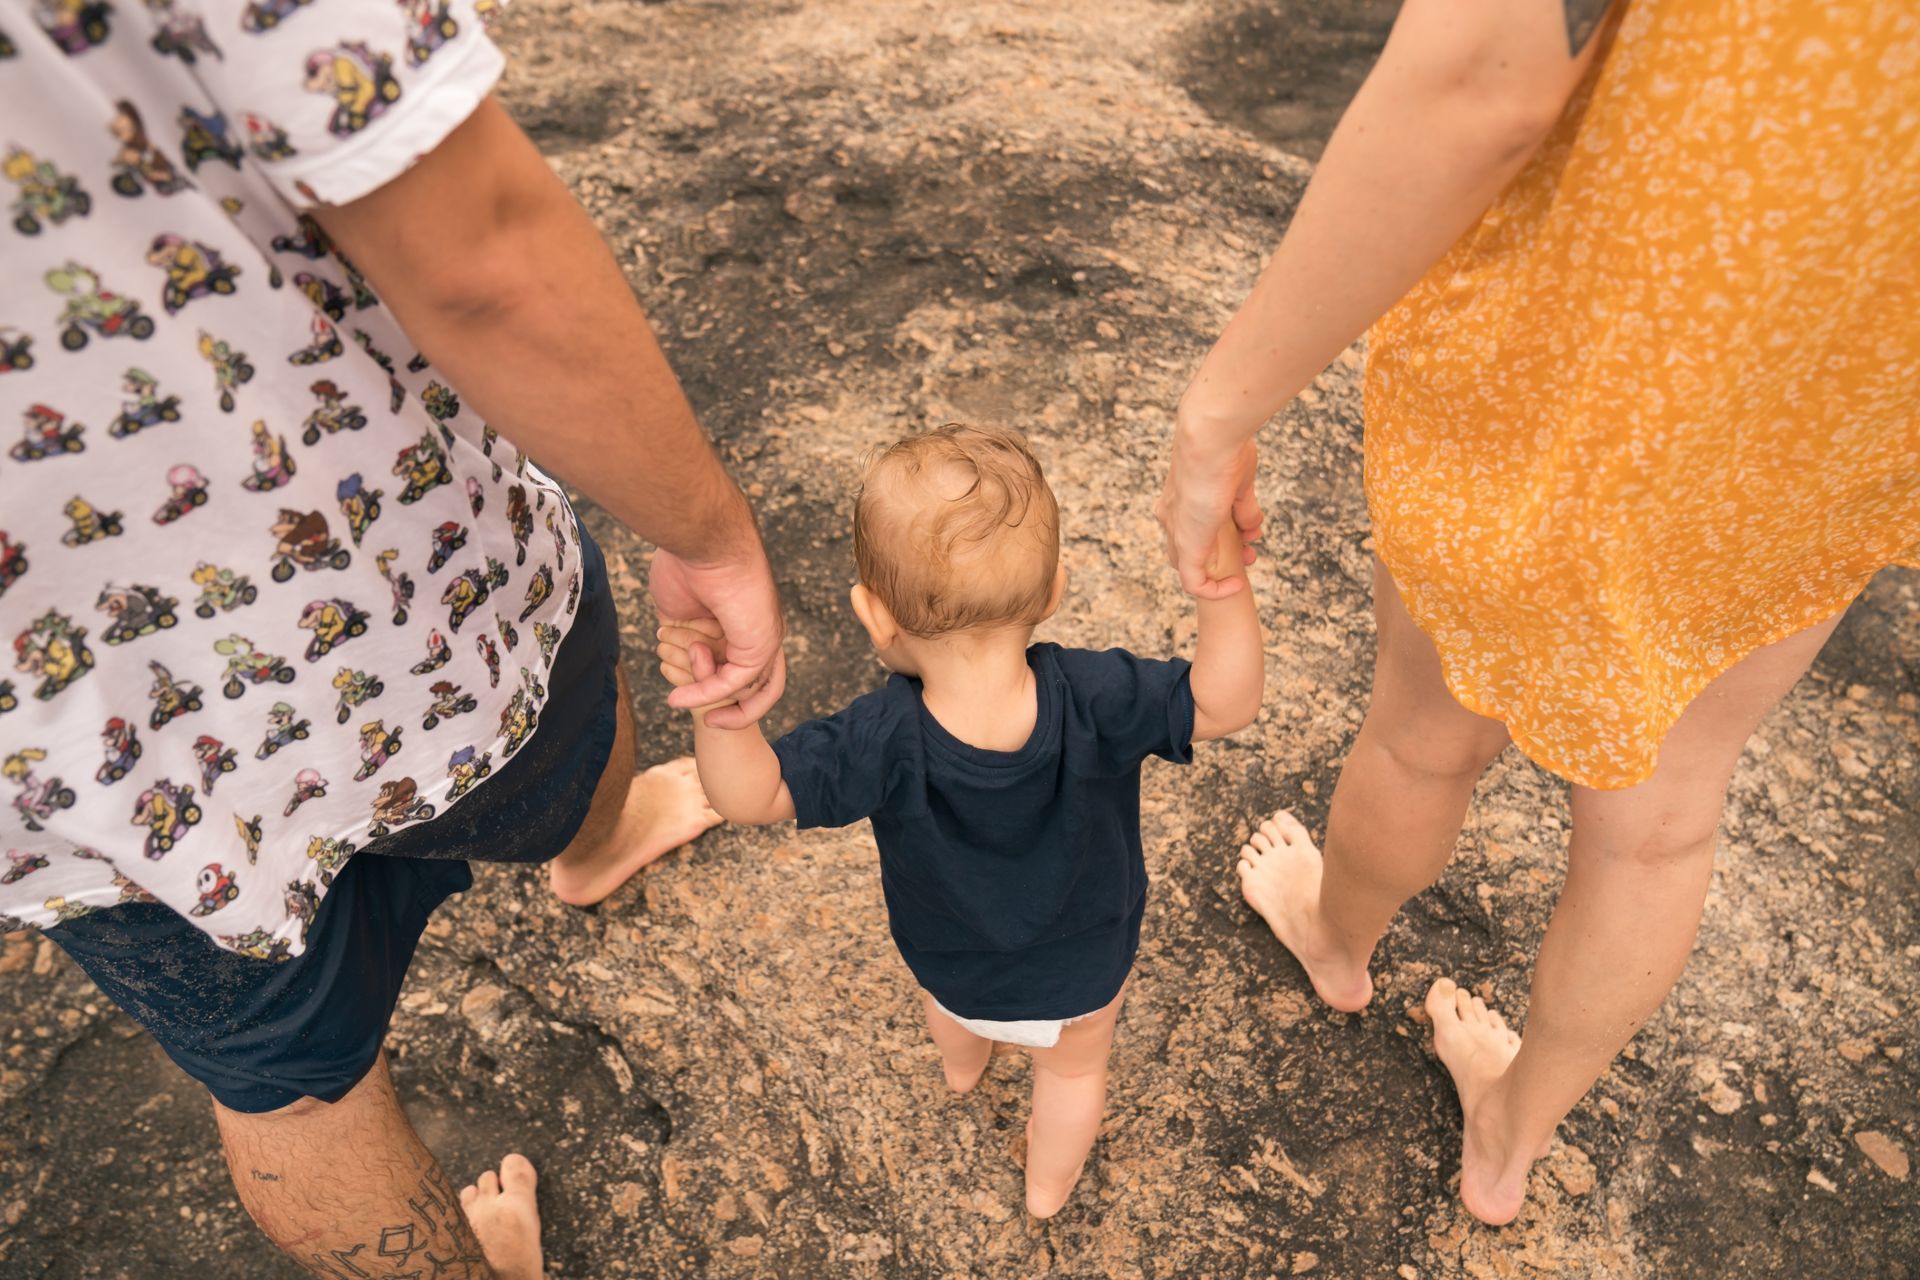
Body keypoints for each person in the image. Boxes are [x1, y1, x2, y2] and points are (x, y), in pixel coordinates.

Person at [0, 2, 786, 1275]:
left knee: (293, 1091)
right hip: (387, 590)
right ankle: (598, 838)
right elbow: (474, 254)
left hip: (75, 758)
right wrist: (709, 535)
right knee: (560, 715)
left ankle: (596, 846)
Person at [1156, 0, 1920, 1227]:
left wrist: (1218, 417)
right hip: (1823, 430)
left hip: (1572, 370)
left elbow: (1485, 85)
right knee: (1659, 825)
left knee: (1423, 735)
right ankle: (1508, 1140)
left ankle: (1336, 939)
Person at [656, 425, 1265, 1217]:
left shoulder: (880, 736)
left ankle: (963, 1067)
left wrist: (720, 706)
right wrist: (1222, 586)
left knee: (951, 1016)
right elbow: (1226, 702)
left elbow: (751, 796)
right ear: (1053, 592)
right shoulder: (1096, 697)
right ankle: (1046, 1191)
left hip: (949, 964)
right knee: (1075, 1073)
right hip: (1085, 963)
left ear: (874, 617)